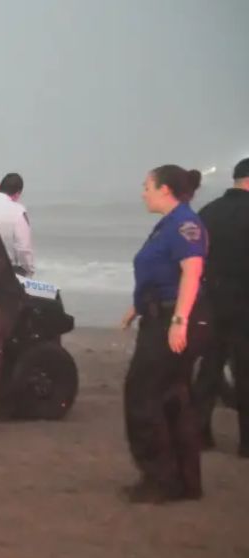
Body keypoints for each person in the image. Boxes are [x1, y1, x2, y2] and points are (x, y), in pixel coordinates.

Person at [118, 165, 207, 504]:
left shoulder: (184, 224)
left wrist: (179, 320)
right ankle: (184, 480)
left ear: (165, 189)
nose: (143, 192)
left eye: (147, 186)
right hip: (161, 313)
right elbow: (161, 273)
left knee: (144, 395)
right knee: (172, 399)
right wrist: (138, 306)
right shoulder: (168, 225)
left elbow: (192, 271)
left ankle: (160, 479)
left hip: (172, 319)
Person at [195, 157, 249, 456]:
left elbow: (192, 257)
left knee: (210, 368)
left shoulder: (209, 212)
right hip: (245, 304)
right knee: (245, 372)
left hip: (211, 301)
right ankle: (246, 442)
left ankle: (201, 433)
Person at [0, 172, 35, 275]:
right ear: (17, 193)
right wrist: (29, 269)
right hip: (5, 271)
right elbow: (23, 247)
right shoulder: (18, 211)